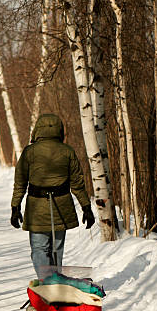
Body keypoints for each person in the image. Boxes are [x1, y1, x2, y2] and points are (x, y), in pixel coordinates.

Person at [10, 113, 95, 277]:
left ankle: (47, 284)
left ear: (37, 130)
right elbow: (77, 183)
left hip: (36, 209)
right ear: (59, 130)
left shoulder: (29, 152)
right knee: (56, 249)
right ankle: (54, 285)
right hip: (62, 207)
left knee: (40, 249)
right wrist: (86, 207)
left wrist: (15, 207)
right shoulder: (67, 151)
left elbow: (20, 182)